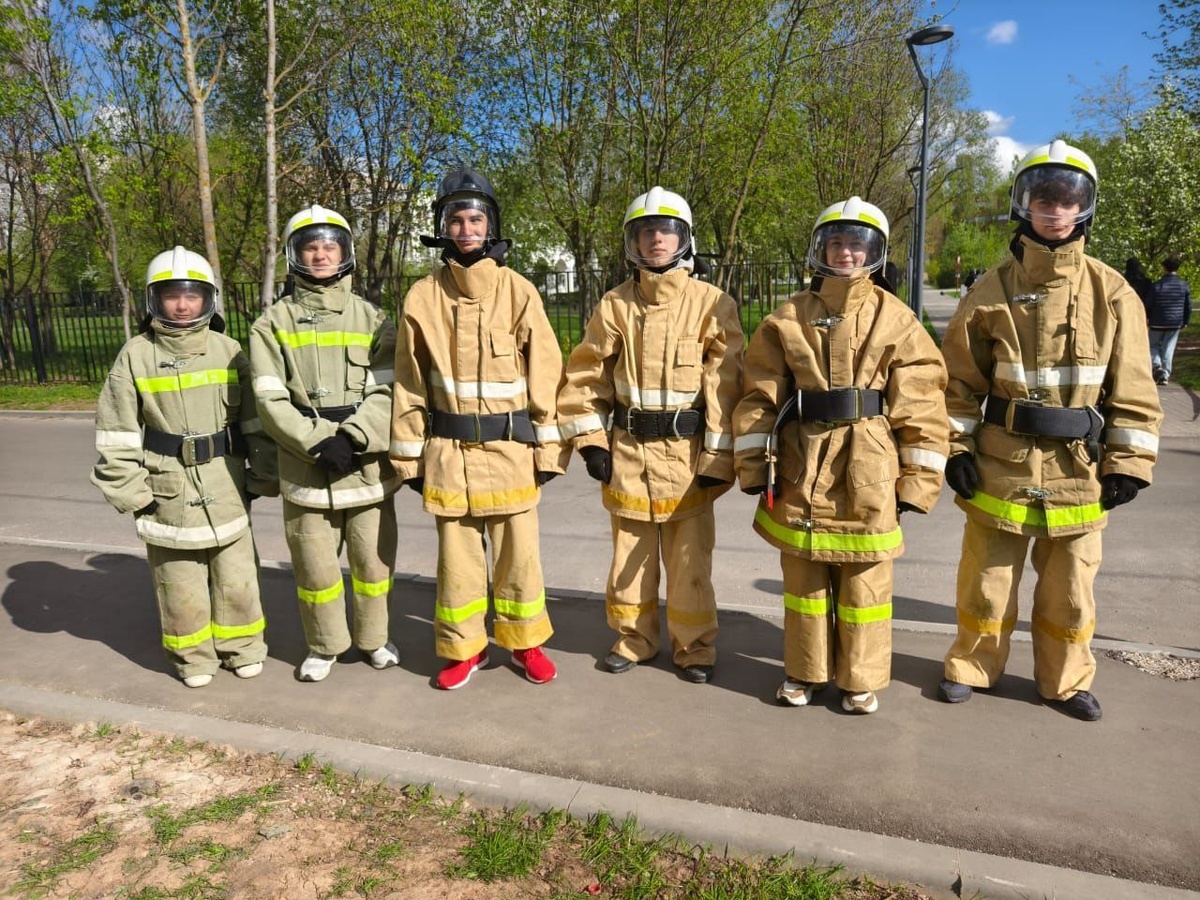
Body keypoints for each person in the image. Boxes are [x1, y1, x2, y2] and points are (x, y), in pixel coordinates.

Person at [938, 140, 1163, 721]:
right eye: (1044, 200)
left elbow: (1135, 390)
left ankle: (1065, 682)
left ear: (1085, 207)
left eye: (1068, 201)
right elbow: (958, 383)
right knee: (985, 582)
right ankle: (972, 666)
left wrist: (1129, 464)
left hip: (1078, 471)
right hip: (1000, 466)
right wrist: (956, 450)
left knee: (1071, 591)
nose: (1056, 212)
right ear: (1024, 205)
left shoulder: (1113, 293)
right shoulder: (989, 292)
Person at [733, 197, 948, 714]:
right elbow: (759, 396)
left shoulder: (897, 319)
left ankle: (860, 680)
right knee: (803, 580)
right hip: (801, 463)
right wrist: (753, 465)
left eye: (857, 243)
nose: (846, 253)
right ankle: (803, 672)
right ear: (819, 249)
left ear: (875, 252)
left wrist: (918, 482)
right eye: (836, 242)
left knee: (865, 582)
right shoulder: (787, 318)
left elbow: (921, 403)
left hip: (869, 466)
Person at [390, 167, 568, 690]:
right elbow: (409, 383)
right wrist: (409, 460)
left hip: (511, 454)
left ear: (491, 226)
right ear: (442, 227)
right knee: (458, 566)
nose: (466, 229)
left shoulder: (518, 291)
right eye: (456, 220)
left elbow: (547, 375)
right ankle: (464, 650)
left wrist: (549, 452)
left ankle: (526, 643)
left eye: (475, 219)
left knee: (520, 561)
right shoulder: (422, 297)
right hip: (449, 457)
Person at [558, 187, 744, 684]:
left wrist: (718, 459)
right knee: (630, 561)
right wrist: (591, 442)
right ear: (633, 243)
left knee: (690, 565)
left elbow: (726, 387)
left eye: (666, 231)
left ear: (684, 239)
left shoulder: (713, 304)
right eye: (646, 232)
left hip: (687, 461)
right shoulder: (615, 305)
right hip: (629, 456)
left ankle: (695, 647)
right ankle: (633, 640)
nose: (656, 240)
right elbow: (586, 377)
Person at [92, 247, 277, 688]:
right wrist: (133, 493)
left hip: (225, 483)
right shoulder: (135, 355)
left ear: (208, 299)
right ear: (154, 300)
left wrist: (262, 474)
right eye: (171, 295)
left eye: (192, 295)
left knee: (237, 577)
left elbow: (256, 422)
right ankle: (192, 658)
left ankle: (243, 647)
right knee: (179, 584)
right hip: (166, 489)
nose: (182, 305)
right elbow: (116, 431)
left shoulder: (229, 351)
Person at [250, 204, 399, 683]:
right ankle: (324, 645)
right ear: (294, 255)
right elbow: (269, 398)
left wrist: (353, 437)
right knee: (315, 570)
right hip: (306, 470)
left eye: (329, 246)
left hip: (365, 467)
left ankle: (375, 639)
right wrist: (317, 442)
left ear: (345, 252)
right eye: (310, 247)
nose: (320, 255)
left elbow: (389, 389)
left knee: (373, 563)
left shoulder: (374, 318)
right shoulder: (272, 324)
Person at [1146, 255, 1192, 385]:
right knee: (1168, 348)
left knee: (1152, 345)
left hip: (1157, 322)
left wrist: (1148, 318)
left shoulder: (1156, 285)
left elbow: (1148, 304)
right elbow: (1188, 306)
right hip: (1175, 322)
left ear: (1164, 268)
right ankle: (1165, 375)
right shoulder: (1183, 285)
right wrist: (1186, 321)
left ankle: (1157, 366)